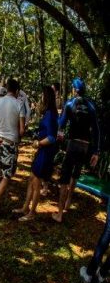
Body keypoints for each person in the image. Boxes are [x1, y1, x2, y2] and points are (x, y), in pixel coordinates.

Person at [52, 78, 100, 223]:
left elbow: (61, 124)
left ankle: (59, 213)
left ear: (74, 89)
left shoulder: (70, 103)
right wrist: (96, 152)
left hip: (73, 144)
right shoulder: (91, 105)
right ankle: (68, 202)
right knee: (76, 174)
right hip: (85, 146)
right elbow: (96, 130)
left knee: (65, 177)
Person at [13, 86, 59, 221]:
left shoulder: (51, 114)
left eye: (42, 96)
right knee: (31, 179)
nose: (40, 98)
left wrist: (38, 143)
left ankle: (32, 213)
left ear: (47, 97)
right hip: (42, 151)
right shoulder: (47, 113)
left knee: (36, 182)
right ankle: (25, 207)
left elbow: (51, 138)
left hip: (46, 152)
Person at [0, 78, 25, 215]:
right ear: (17, 90)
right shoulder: (19, 104)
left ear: (7, 88)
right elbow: (21, 130)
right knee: (6, 175)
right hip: (10, 142)